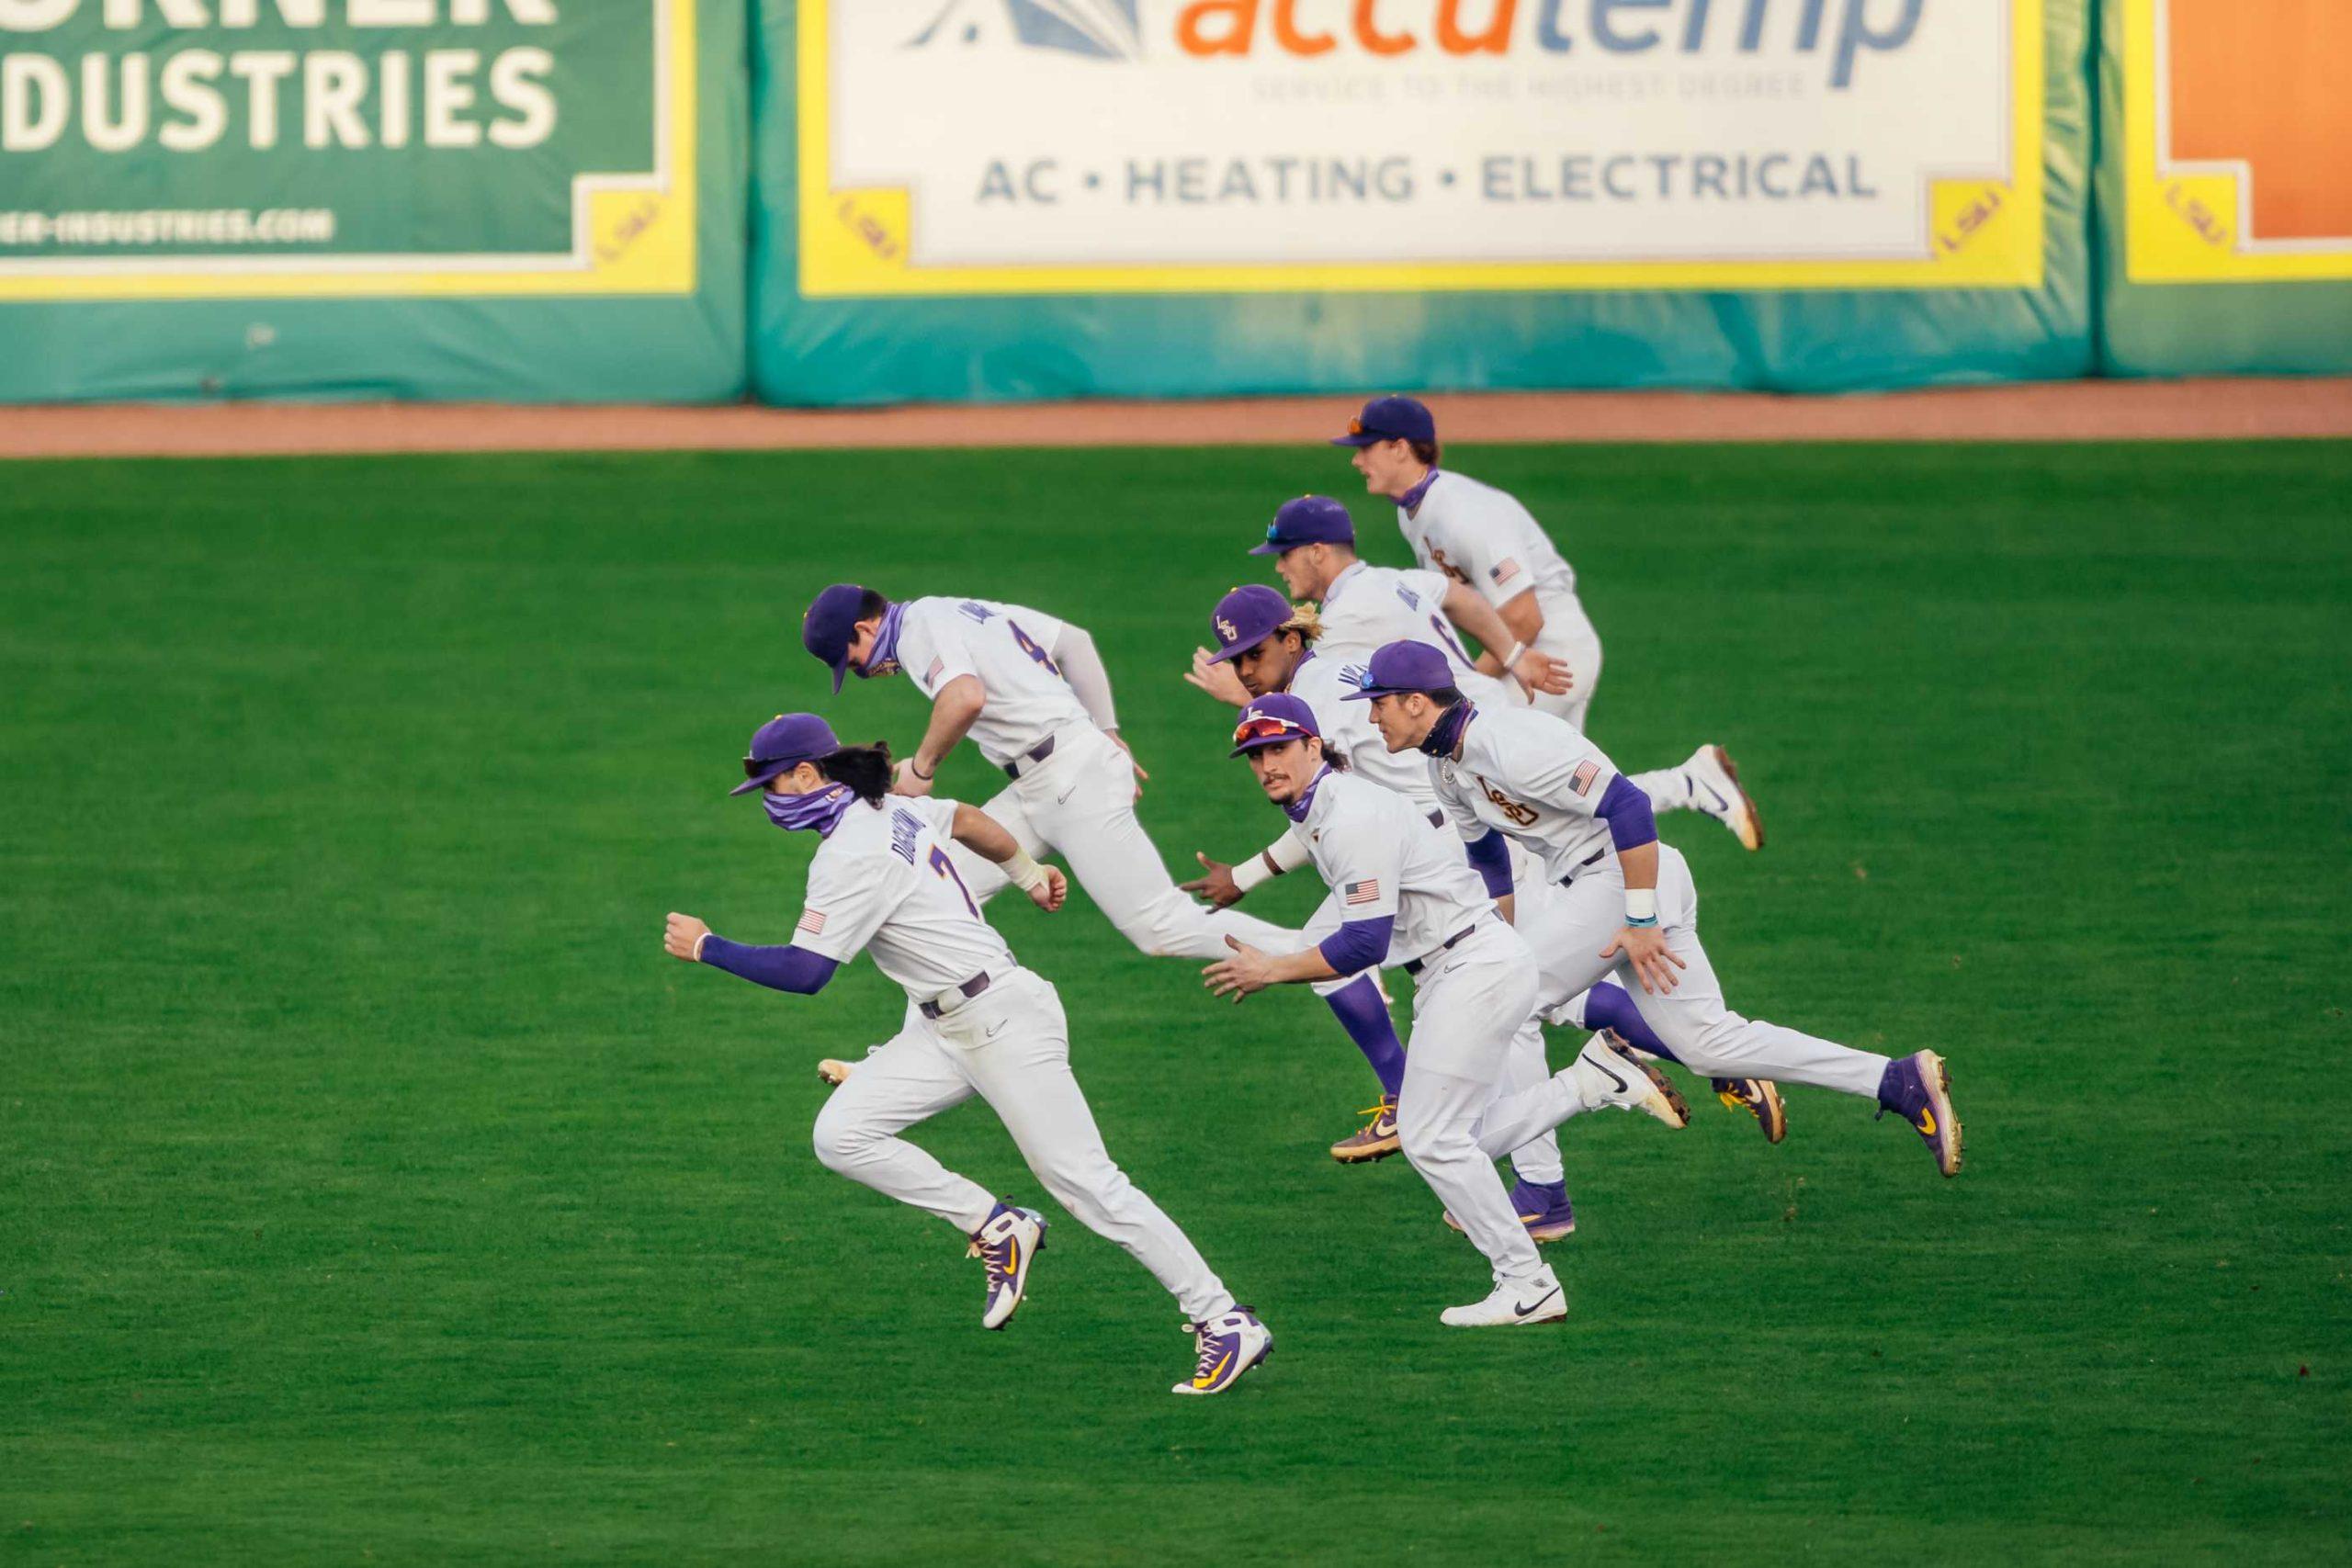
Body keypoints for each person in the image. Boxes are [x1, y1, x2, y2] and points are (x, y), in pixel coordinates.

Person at [662, 712, 1272, 1396]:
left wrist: (707, 946)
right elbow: (972, 819)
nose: (771, 802)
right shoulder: (891, 806)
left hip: (1001, 1023)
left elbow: (808, 972)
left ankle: (1222, 1318)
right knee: (841, 1134)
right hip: (943, 1027)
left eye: (774, 785)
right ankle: (996, 1222)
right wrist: (1028, 870)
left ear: (807, 774)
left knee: (1088, 1183)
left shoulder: (850, 854)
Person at [1182, 586, 1781, 1230]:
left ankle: (1509, 1157)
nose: (1243, 669)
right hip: (1455, 829)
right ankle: (1688, 1067)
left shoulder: (1323, 694)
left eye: (1253, 653)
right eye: (1235, 659)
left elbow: (1319, 795)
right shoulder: (1331, 680)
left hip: (1453, 836)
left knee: (1498, 994)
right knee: (1525, 991)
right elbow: (1317, 806)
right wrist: (1247, 875)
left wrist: (1252, 879)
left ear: (1292, 639)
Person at [1346, 640, 1963, 1179]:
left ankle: (1544, 1111)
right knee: (1709, 1045)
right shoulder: (1444, 767)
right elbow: (1489, 861)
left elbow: (1630, 804)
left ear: (1417, 702)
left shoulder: (1511, 739)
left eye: (1379, 701)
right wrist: (1496, 937)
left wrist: (1640, 919)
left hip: (1624, 878)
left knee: (1509, 996)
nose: (1371, 715)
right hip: (1607, 886)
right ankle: (1896, 1079)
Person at [1202, 694, 1687, 1327]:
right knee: (1456, 1139)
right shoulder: (1319, 805)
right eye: (1254, 755)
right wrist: (1242, 876)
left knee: (1432, 1138)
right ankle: (1593, 1081)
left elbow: (1363, 944)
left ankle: (1527, 1280)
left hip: (1471, 969)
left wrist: (1274, 966)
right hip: (1457, 970)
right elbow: (1308, 849)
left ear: (1314, 747)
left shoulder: (1349, 814)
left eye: (1278, 749)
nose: (1266, 764)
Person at [1332, 399, 1763, 851]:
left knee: (1508, 789)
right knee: (1559, 803)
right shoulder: (1413, 511)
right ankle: (1688, 787)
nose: (1357, 459)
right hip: (1536, 652)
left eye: (1366, 447)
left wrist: (1467, 687)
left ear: (1400, 448)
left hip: (1549, 652)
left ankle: (1689, 786)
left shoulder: (1462, 512)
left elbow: (1524, 616)